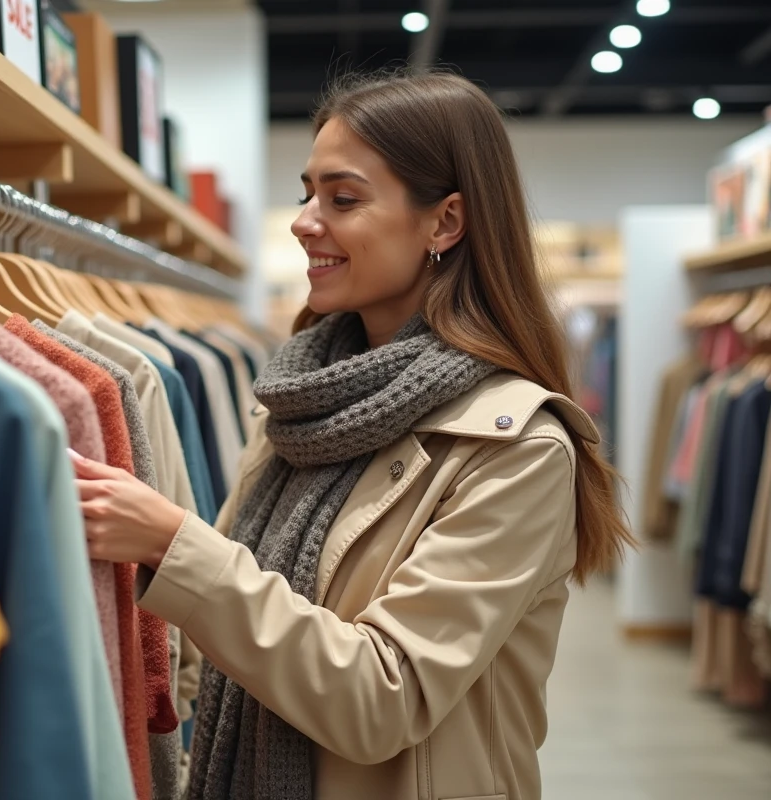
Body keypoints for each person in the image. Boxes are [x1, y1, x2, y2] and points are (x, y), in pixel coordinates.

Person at [71, 70, 633, 800]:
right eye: (307, 192)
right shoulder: (297, 407)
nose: (305, 219)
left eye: (343, 198)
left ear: (446, 222)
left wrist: (174, 545)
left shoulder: (517, 449)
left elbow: (383, 697)